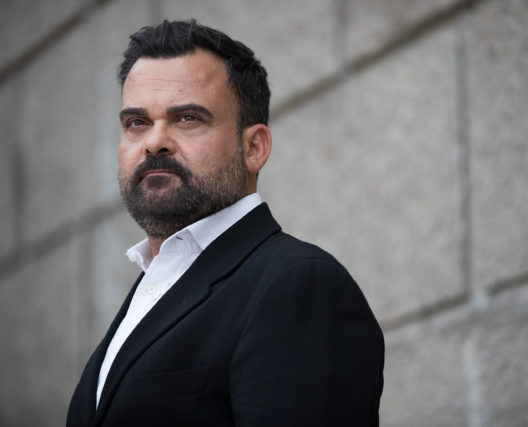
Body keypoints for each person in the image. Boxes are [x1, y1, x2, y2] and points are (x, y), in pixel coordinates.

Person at [67, 19, 384, 427]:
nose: (154, 141)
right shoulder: (151, 290)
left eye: (187, 118)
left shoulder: (298, 285)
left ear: (254, 148)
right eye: (136, 123)